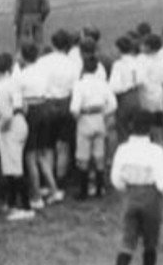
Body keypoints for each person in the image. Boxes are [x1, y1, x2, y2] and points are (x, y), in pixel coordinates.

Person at [110, 111, 163, 265]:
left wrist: (126, 187)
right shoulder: (156, 151)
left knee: (127, 241)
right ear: (150, 129)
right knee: (150, 241)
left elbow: (116, 179)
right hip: (150, 196)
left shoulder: (123, 150)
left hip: (131, 195)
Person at [0, 52, 33, 221]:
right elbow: (24, 105)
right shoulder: (15, 83)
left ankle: (25, 207)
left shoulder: (1, 88)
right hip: (21, 121)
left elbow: (7, 115)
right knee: (11, 165)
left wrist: (1, 128)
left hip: (10, 125)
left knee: (14, 167)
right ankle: (11, 202)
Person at [35, 30, 78, 198]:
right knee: (63, 145)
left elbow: (39, 83)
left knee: (47, 145)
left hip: (48, 103)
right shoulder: (72, 64)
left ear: (53, 43)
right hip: (65, 102)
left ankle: (49, 179)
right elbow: (75, 86)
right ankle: (60, 180)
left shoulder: (43, 62)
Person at [70, 56, 117, 199]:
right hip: (99, 118)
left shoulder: (79, 85)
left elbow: (74, 108)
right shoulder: (103, 84)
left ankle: (84, 190)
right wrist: (104, 114)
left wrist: (77, 118)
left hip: (85, 119)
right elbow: (113, 104)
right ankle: (100, 188)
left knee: (83, 156)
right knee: (99, 154)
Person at [14, 42, 53, 209]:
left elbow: (18, 100)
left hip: (31, 110)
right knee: (42, 153)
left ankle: (36, 195)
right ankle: (52, 188)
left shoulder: (21, 76)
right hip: (44, 107)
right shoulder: (44, 72)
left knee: (30, 155)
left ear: (23, 56)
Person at [138, 34, 163, 143]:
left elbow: (140, 79)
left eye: (144, 45)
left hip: (147, 97)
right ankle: (160, 142)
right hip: (159, 95)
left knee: (150, 125)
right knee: (159, 123)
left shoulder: (142, 60)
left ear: (148, 47)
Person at [108, 36, 142, 141]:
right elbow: (141, 79)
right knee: (136, 128)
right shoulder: (136, 61)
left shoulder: (118, 64)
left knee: (123, 129)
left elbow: (114, 86)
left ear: (119, 49)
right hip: (136, 96)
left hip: (124, 98)